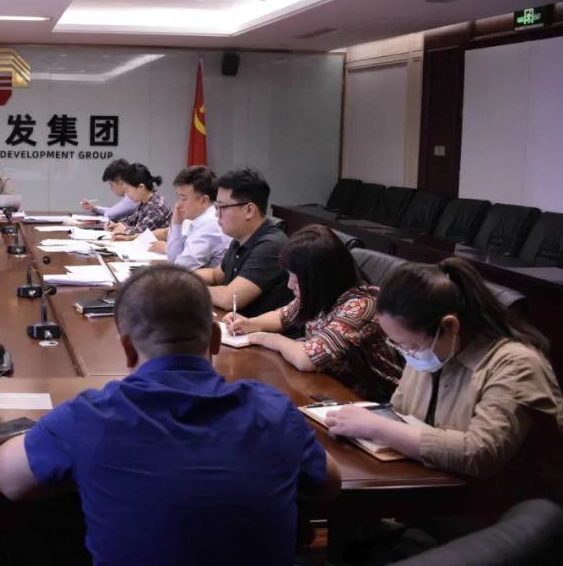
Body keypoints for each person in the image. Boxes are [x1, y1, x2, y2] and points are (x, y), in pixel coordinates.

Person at [0, 264, 339, 565]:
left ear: (126, 348)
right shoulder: (273, 411)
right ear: (214, 340)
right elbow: (329, 483)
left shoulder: (90, 417)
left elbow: (7, 479)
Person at [326, 258, 563, 517]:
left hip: (505, 517)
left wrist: (377, 427)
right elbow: (399, 412)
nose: (407, 354)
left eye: (411, 345)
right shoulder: (431, 351)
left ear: (449, 326)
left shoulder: (516, 364)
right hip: (434, 496)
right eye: (399, 345)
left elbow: (480, 453)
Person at [225, 225, 403, 402]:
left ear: (320, 277)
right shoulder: (320, 294)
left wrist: (267, 338)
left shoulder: (360, 306)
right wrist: (250, 323)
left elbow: (308, 358)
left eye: (296, 279)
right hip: (329, 385)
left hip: (374, 401)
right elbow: (284, 316)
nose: (290, 285)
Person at [195, 168, 292, 316]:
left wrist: (187, 287)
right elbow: (215, 275)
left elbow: (230, 299)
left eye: (222, 207)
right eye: (217, 207)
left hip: (258, 329)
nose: (216, 214)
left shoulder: (271, 246)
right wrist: (179, 276)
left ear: (249, 210)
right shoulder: (240, 238)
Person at [147, 165, 230, 269]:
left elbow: (180, 267)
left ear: (203, 201)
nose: (178, 204)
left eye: (183, 198)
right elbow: (173, 258)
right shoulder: (201, 220)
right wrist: (176, 223)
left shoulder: (210, 224)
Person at [106, 163, 171, 238]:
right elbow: (131, 220)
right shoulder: (144, 202)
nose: (127, 194)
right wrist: (118, 225)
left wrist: (124, 229)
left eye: (128, 190)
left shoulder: (157, 207)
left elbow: (141, 232)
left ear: (141, 187)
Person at [80, 158, 137, 223]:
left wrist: (95, 209)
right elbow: (113, 211)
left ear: (120, 181)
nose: (110, 188)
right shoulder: (131, 197)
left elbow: (109, 214)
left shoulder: (132, 198)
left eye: (111, 184)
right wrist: (94, 208)